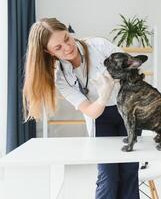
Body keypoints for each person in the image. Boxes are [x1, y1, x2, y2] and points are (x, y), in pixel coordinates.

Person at [23, 17, 140, 199]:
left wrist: (117, 78)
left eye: (67, 39)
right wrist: (103, 95)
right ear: (48, 52)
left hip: (128, 111)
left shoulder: (98, 46)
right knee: (108, 177)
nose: (67, 47)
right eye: (58, 48)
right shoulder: (62, 78)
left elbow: (133, 69)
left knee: (129, 172)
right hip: (100, 118)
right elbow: (92, 111)